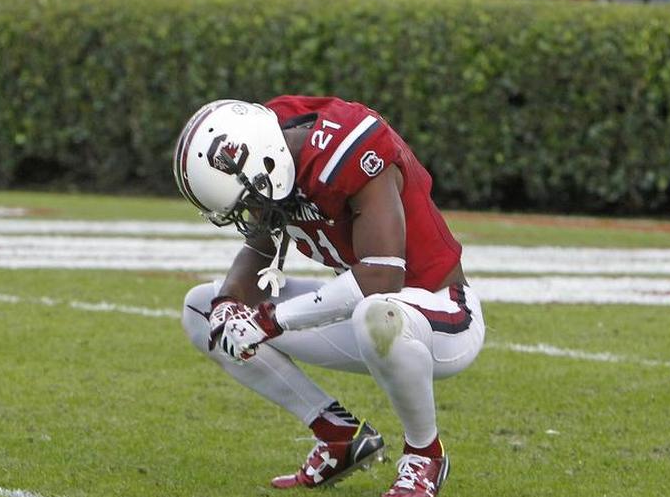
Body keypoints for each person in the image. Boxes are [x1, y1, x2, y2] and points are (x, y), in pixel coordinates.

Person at [176, 97, 484, 497]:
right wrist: (230, 305)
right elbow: (260, 244)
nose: (251, 208)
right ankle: (339, 435)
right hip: (363, 314)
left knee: (377, 313)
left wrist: (268, 321)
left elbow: (382, 276)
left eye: (250, 198)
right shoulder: (272, 146)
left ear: (266, 162)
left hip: (442, 315)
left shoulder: (349, 148)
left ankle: (425, 455)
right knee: (204, 309)